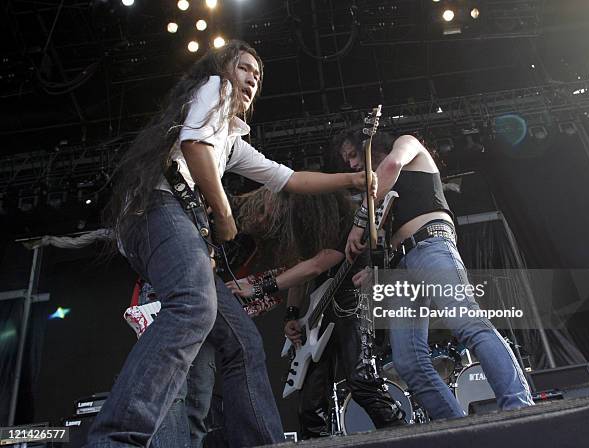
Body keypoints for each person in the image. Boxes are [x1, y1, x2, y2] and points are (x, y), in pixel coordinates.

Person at [87, 40, 375, 448]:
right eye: (244, 68)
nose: (251, 79)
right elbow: (193, 146)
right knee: (193, 306)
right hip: (157, 209)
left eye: (257, 76)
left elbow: (288, 179)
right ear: (224, 70)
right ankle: (115, 440)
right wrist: (223, 214)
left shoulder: (232, 142)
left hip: (180, 225)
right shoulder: (213, 87)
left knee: (244, 344)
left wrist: (350, 180)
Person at [337, 128, 534, 420]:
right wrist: (373, 273)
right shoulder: (381, 195)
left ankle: (519, 407)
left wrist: (360, 222)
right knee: (408, 361)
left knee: (467, 322)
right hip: (400, 267)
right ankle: (457, 427)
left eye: (353, 155)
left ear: (368, 144)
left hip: (431, 245)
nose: (352, 164)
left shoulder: (406, 144)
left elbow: (391, 165)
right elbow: (389, 241)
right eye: (347, 160)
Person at [227, 188, 405, 438]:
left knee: (362, 381)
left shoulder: (347, 221)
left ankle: (407, 437)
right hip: (321, 313)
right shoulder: (305, 231)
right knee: (310, 405)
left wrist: (258, 287)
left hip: (352, 299)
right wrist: (291, 315)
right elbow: (301, 269)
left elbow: (317, 265)